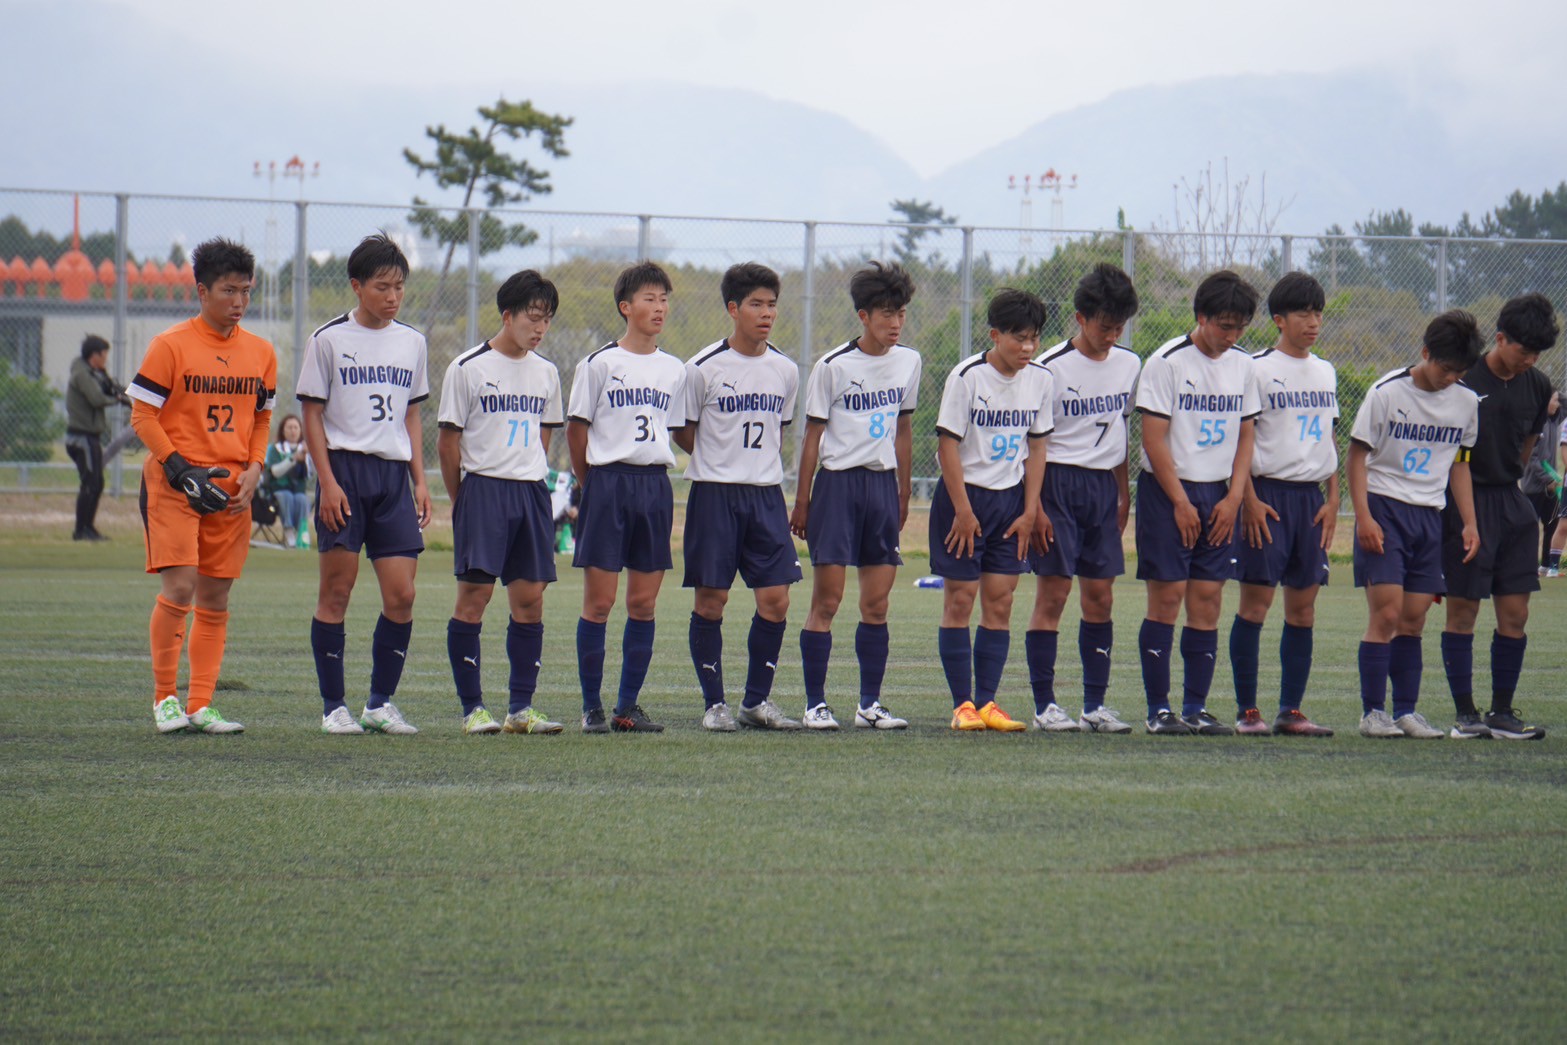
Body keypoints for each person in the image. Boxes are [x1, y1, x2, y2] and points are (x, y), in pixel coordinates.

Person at [126, 238, 277, 734]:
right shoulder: (170, 345)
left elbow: (262, 418)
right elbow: (143, 415)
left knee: (215, 598)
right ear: (202, 291)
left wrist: (256, 468)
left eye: (246, 291)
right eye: (228, 290)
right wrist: (179, 469)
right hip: (176, 485)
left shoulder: (261, 352)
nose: (239, 301)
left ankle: (202, 704)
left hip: (231, 490)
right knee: (180, 587)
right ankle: (165, 699)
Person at [297, 233, 432, 736]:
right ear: (356, 286)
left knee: (402, 595)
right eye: (382, 287)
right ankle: (334, 707)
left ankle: (380, 703)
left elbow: (411, 416)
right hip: (345, 473)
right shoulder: (327, 339)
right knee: (337, 590)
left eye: (399, 287)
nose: (393, 297)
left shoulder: (413, 341)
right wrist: (327, 481)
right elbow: (311, 415)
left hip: (393, 478)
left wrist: (419, 480)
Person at [790, 261, 922, 730]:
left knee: (877, 604)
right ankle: (815, 704)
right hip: (838, 487)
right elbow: (812, 436)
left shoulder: (909, 361)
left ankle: (870, 704)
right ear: (863, 316)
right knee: (827, 601)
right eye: (886, 313)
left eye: (901, 313)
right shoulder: (834, 366)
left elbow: (903, 428)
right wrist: (802, 500)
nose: (895, 322)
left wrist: (903, 490)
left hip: (881, 488)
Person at [674, 263, 803, 731]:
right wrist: (719, 458)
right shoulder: (701, 368)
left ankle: (756, 702)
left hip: (766, 496)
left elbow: (778, 430)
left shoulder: (786, 369)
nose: (766, 313)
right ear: (733, 309)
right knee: (712, 599)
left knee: (776, 599)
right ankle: (715, 705)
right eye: (756, 304)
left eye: (772, 305)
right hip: (714, 496)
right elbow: (683, 431)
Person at [438, 270, 567, 736]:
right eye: (533, 318)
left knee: (530, 601)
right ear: (507, 315)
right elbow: (448, 443)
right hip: (483, 489)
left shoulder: (547, 372)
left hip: (530, 492)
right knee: (474, 597)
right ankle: (473, 709)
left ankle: (520, 709)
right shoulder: (467, 367)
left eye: (547, 319)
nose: (540, 328)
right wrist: (464, 499)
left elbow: (544, 434)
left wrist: (529, 471)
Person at [1134, 270, 1260, 735]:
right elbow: (1153, 439)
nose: (1232, 336)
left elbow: (1246, 435)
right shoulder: (1166, 362)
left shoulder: (1244, 365)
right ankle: (1158, 710)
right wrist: (1180, 502)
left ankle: (1195, 708)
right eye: (1224, 326)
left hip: (1218, 495)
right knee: (1167, 598)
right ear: (1202, 317)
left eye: (1240, 327)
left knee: (1207, 600)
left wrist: (1234, 497)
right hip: (1169, 494)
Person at [1348, 310, 1482, 739]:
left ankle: (1406, 711)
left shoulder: (1466, 402)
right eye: (1446, 368)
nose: (1451, 378)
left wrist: (1469, 522)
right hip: (1385, 509)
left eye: (1460, 371)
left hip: (1429, 516)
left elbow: (1460, 464)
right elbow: (1356, 457)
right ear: (1425, 353)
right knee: (1386, 613)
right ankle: (1373, 713)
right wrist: (1364, 517)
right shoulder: (1386, 392)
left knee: (1414, 618)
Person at [567, 261, 687, 734]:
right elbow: (577, 431)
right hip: (608, 483)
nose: (659, 308)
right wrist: (591, 482)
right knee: (599, 602)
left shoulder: (674, 369)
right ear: (625, 307)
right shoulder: (599, 363)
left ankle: (626, 707)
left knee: (643, 603)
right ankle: (591, 708)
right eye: (649, 299)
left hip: (654, 485)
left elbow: (674, 430)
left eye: (664, 299)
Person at [1027, 263, 1142, 734]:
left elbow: (1120, 429)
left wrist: (1123, 493)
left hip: (1102, 488)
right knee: (1054, 594)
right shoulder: (1049, 368)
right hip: (1057, 484)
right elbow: (1034, 442)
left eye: (1119, 327)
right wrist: (1034, 505)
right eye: (1104, 326)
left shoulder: (1130, 365)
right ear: (1080, 318)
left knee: (1101, 596)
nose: (1112, 336)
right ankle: (1045, 706)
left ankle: (1095, 706)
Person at [1438, 294, 1558, 740]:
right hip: (1465, 499)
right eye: (1524, 350)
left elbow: (1526, 449)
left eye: (1537, 353)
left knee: (1515, 613)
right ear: (1501, 338)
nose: (1530, 360)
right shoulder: (1464, 377)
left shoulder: (1538, 385)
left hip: (1512, 502)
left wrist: (1513, 490)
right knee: (1463, 611)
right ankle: (1465, 715)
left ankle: (1502, 713)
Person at [933, 289, 1052, 732]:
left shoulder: (1041, 379)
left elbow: (1037, 447)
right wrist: (963, 510)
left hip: (1010, 503)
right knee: (960, 599)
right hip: (965, 501)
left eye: (1034, 338)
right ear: (995, 335)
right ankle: (962, 705)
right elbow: (947, 445)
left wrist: (1030, 509)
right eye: (1019, 338)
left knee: (1000, 602)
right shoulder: (967, 377)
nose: (1028, 347)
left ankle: (987, 703)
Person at [1228, 272, 1339, 737]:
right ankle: (1247, 711)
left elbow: (1328, 437)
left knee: (1303, 610)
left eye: (1318, 314)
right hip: (1267, 496)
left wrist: (1334, 499)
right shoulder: (1255, 368)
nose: (1313, 322)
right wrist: (1248, 499)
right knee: (1255, 605)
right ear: (1279, 319)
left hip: (1310, 500)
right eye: (1303, 314)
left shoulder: (1326, 370)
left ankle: (1291, 710)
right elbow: (1241, 438)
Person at [65, 334, 130, 541]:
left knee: (96, 483)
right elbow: (96, 399)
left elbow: (105, 388)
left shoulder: (93, 372)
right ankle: (81, 531)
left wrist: (118, 389)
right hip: (81, 438)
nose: (105, 360)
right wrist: (116, 399)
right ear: (95, 355)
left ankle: (88, 528)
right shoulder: (82, 374)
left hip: (89, 437)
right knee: (90, 483)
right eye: (104, 355)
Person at [1522, 388, 1562, 571]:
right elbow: (1532, 458)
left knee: (1552, 524)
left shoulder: (1554, 422)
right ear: (1545, 401)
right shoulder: (1536, 424)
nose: (1558, 404)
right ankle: (1526, 565)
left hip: (1550, 488)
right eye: (1554, 400)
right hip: (1534, 487)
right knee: (1530, 527)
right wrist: (1547, 479)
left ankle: (1545, 565)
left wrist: (1551, 482)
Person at [264, 414, 312, 548]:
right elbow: (275, 472)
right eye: (289, 427)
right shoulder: (275, 449)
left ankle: (301, 532)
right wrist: (293, 459)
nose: (293, 431)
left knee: (302, 499)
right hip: (278, 490)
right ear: (283, 430)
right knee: (286, 496)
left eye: (296, 427)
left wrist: (308, 456)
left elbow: (311, 474)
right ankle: (289, 531)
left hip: (298, 491)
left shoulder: (306, 450)